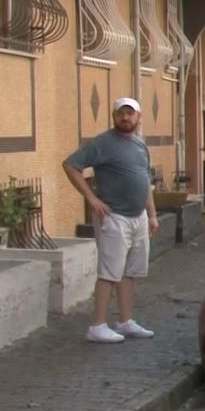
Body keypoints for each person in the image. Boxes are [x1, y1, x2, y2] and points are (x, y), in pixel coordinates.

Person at [62, 97, 159, 344]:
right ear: (114, 116)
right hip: (113, 217)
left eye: (130, 113)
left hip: (138, 217)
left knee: (129, 272)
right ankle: (97, 325)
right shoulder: (103, 142)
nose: (125, 118)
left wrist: (152, 214)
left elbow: (146, 182)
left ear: (139, 117)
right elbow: (71, 165)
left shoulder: (140, 145)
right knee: (109, 272)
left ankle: (125, 321)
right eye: (120, 114)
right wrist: (91, 198)